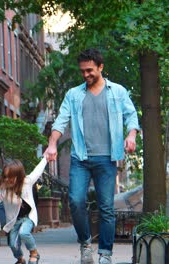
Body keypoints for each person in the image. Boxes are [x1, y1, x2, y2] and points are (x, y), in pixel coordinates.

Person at [44, 48, 140, 264]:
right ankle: (85, 243)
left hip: (107, 158)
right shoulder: (74, 94)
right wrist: (52, 144)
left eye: (89, 70)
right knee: (76, 201)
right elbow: (61, 120)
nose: (85, 75)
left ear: (100, 67)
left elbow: (131, 115)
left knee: (106, 207)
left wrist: (131, 134)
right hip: (81, 158)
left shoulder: (117, 92)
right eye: (82, 71)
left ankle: (105, 254)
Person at [0, 158, 48, 264]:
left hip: (28, 217)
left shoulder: (27, 182)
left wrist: (46, 158)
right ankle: (20, 259)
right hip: (14, 221)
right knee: (13, 244)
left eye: (10, 177)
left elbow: (37, 170)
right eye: (5, 177)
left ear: (19, 176)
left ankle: (34, 253)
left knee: (24, 233)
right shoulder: (4, 189)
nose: (7, 180)